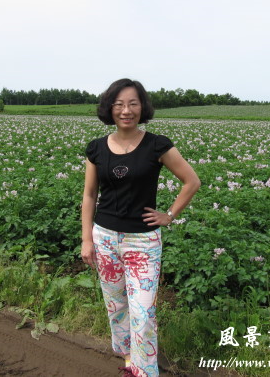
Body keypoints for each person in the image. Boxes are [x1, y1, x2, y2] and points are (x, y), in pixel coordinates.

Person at [81, 79, 200, 377]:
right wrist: (87, 239)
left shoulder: (157, 145)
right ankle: (128, 361)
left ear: (142, 107)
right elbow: (89, 195)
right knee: (116, 305)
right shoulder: (96, 148)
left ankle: (143, 371)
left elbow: (192, 181)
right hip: (105, 238)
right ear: (110, 108)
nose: (126, 110)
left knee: (143, 312)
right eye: (119, 104)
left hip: (142, 242)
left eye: (133, 104)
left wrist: (169, 215)